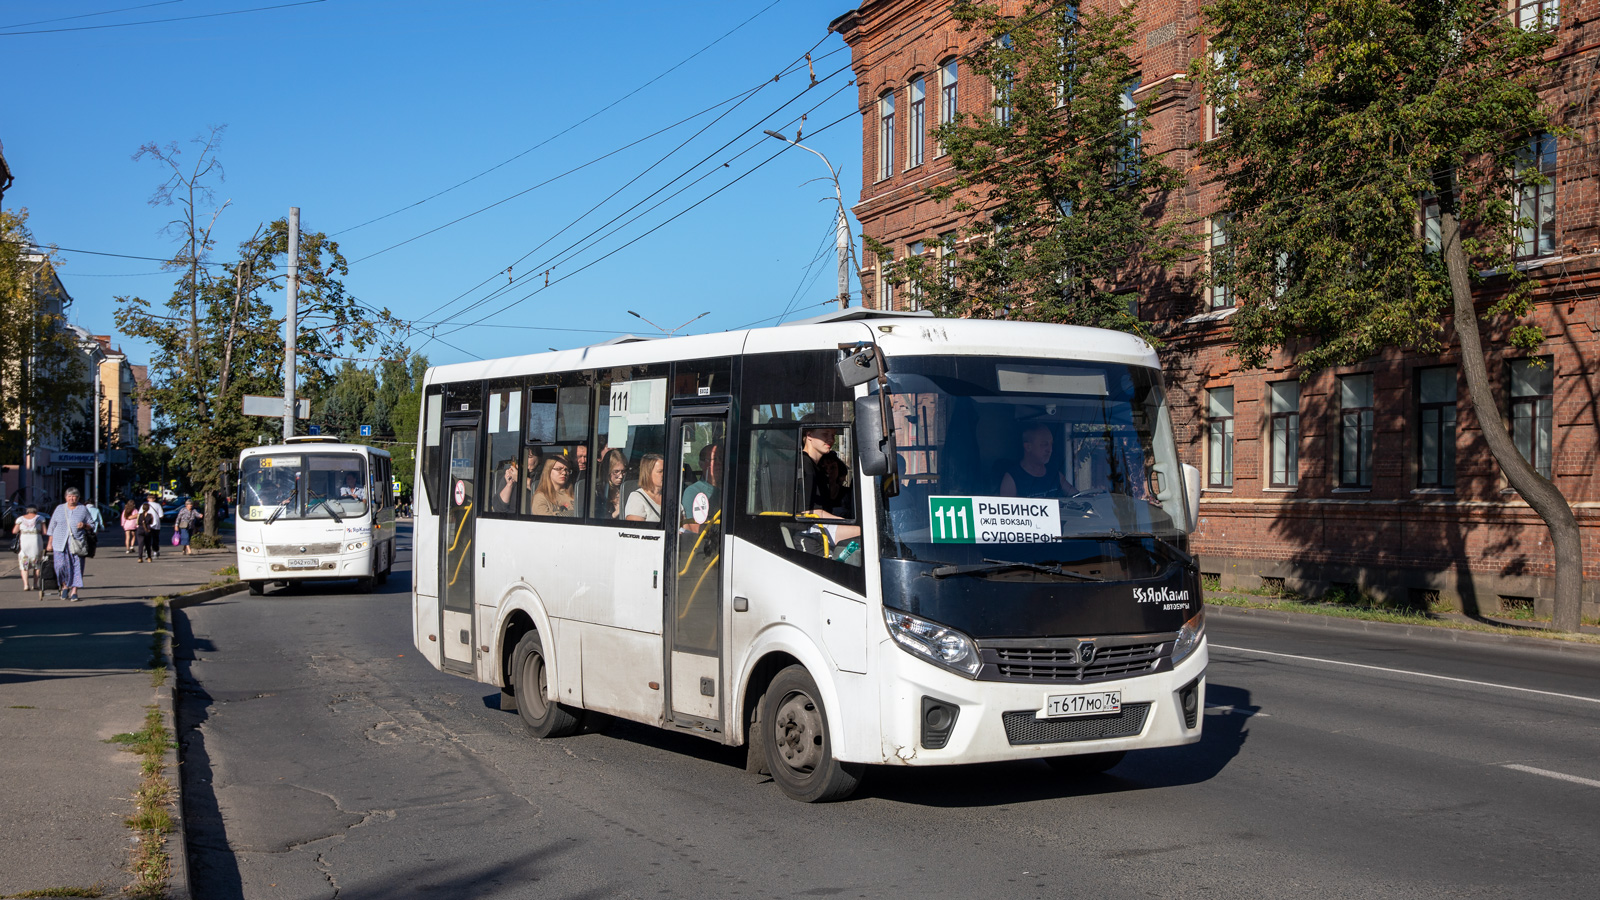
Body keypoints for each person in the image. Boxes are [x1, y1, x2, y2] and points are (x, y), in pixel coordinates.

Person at [1000, 423, 1071, 498]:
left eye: (1051, 444)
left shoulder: (1055, 474)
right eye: (1044, 444)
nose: (1050, 450)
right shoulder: (1011, 478)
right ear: (1028, 447)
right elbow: (1007, 507)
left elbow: (1077, 497)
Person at [46, 488, 92, 602]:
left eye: (74, 496)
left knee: (77, 566)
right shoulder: (60, 508)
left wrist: (85, 525)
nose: (72, 498)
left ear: (78, 497)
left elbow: (92, 524)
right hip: (59, 542)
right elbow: (52, 526)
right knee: (60, 566)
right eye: (69, 496)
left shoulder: (83, 509)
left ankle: (74, 591)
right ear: (66, 497)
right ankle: (65, 586)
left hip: (77, 543)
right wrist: (49, 543)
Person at [680, 443, 721, 534]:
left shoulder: (730, 491)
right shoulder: (693, 492)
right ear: (701, 464)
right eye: (714, 459)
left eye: (721, 459)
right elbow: (695, 530)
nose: (719, 463)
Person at [12, 505, 44, 592]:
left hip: (25, 541)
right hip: (36, 541)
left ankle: (26, 585)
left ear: (27, 511)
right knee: (37, 565)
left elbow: (14, 531)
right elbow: (45, 531)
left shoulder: (20, 519)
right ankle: (35, 584)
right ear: (36, 510)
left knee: (24, 565)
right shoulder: (41, 518)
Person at [624, 454, 664, 523]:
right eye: (660, 471)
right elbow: (636, 530)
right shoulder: (637, 498)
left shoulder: (671, 497)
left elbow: (686, 526)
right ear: (648, 473)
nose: (665, 474)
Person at [594, 449, 627, 520]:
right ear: (607, 471)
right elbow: (597, 520)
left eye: (623, 471)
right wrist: (616, 513)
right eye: (616, 471)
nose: (621, 476)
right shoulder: (597, 493)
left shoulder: (627, 490)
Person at [136, 498, 160, 563]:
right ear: (148, 508)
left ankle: (140, 558)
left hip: (140, 530)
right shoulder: (150, 515)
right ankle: (149, 557)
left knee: (140, 544)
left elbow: (137, 522)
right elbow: (152, 522)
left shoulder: (139, 515)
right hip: (147, 530)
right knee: (148, 544)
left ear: (143, 508)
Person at [142, 493, 165, 559]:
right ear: (154, 499)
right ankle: (155, 551)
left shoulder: (144, 505)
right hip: (156, 525)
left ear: (147, 499)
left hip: (146, 525)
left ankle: (147, 552)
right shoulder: (158, 505)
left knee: (147, 539)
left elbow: (140, 514)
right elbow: (161, 515)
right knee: (155, 539)